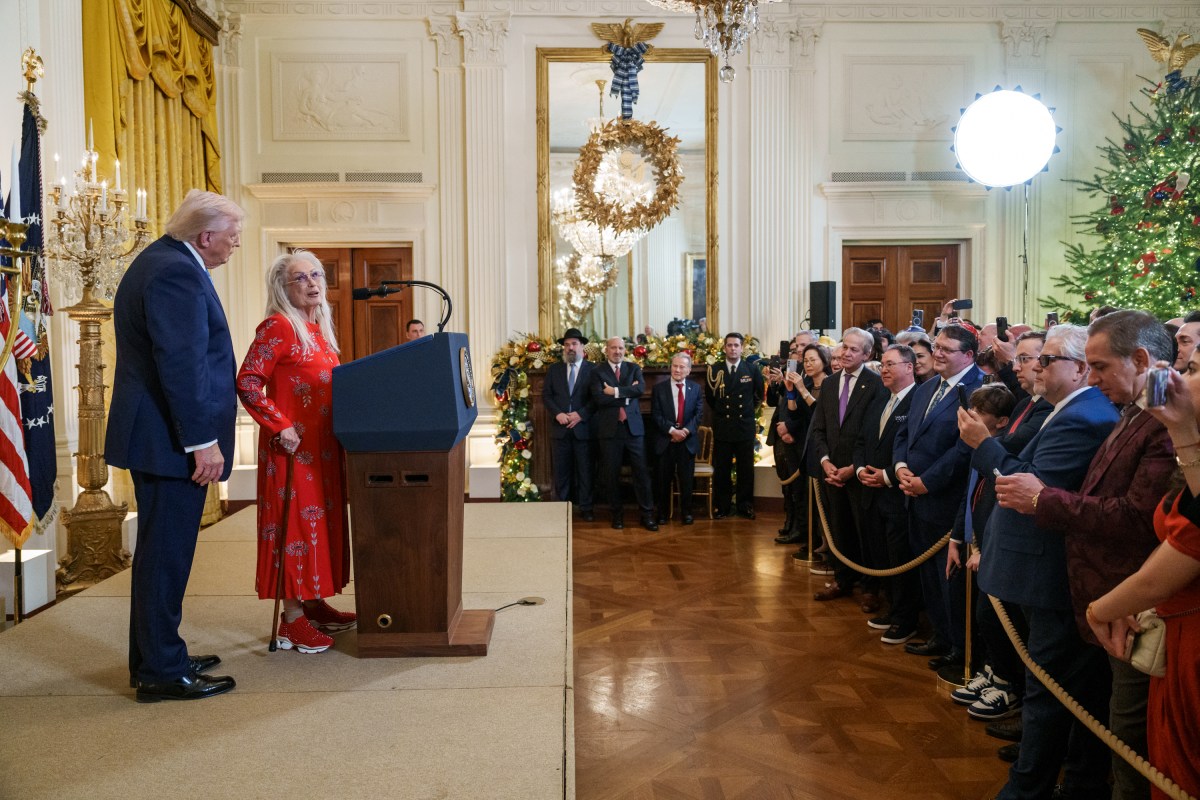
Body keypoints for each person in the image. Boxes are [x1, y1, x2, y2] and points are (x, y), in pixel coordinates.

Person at [1004, 310, 1175, 800]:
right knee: (1099, 717)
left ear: (1140, 359)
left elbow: (1136, 517)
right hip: (1103, 594)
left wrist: (1043, 499)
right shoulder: (1132, 411)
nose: (1090, 376)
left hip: (1131, 602)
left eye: (1099, 366)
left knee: (1128, 743)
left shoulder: (1164, 420)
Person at [961, 323, 1120, 800]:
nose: (1034, 367)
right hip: (1032, 565)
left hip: (1045, 568)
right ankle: (1065, 777)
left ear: (1078, 369)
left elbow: (1027, 489)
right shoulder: (1062, 409)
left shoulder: (1083, 416)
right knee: (1052, 685)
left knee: (1049, 688)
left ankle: (1030, 788)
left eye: (1047, 359)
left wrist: (981, 445)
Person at [106, 189, 243, 703]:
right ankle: (162, 670)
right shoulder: (175, 271)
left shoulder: (163, 261)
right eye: (232, 237)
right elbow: (180, 364)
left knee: (159, 554)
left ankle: (156, 656)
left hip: (163, 438)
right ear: (205, 236)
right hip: (170, 441)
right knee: (166, 556)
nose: (235, 246)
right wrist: (202, 443)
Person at [1089, 350, 1200, 800]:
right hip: (1177, 630)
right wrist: (1182, 428)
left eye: (1191, 369)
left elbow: (1185, 549)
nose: (1177, 374)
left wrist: (1103, 609)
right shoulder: (1186, 438)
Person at [236, 250, 356, 655]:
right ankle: (291, 621)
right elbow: (249, 381)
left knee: (320, 528)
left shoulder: (316, 330)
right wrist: (279, 424)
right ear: (282, 288)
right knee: (296, 532)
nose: (312, 283)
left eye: (317, 275)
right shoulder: (279, 326)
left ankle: (313, 602)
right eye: (301, 278)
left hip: (323, 450)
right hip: (292, 451)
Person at [894, 323, 986, 669]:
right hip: (913, 494)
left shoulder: (979, 389)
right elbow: (904, 434)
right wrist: (902, 468)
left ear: (968, 355)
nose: (938, 354)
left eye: (946, 349)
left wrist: (926, 482)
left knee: (950, 578)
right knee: (928, 575)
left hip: (948, 499)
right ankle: (939, 634)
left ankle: (960, 647)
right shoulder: (926, 386)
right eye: (937, 347)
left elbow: (965, 450)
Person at [808, 327, 887, 604]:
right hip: (831, 473)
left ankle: (869, 588)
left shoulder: (877, 385)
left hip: (860, 474)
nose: (846, 353)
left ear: (867, 354)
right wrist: (825, 461)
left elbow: (874, 434)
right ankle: (842, 579)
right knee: (837, 530)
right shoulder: (829, 384)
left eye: (854, 349)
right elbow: (818, 429)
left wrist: (854, 468)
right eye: (844, 347)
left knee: (864, 532)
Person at [853, 344, 919, 644]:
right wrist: (859, 471)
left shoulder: (918, 401)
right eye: (883, 364)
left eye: (892, 364)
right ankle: (894, 610)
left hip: (897, 495)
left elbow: (913, 451)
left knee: (900, 559)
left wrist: (886, 476)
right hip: (871, 493)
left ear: (910, 367)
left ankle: (906, 619)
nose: (885, 369)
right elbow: (861, 440)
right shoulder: (881, 400)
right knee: (883, 557)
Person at [592, 337, 658, 531]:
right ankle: (617, 515)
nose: (617, 351)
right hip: (610, 430)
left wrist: (614, 391)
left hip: (634, 429)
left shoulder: (634, 368)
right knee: (611, 475)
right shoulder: (597, 372)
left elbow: (640, 389)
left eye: (621, 348)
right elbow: (599, 399)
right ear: (607, 350)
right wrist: (627, 395)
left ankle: (647, 515)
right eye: (613, 348)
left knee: (642, 473)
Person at [706, 332, 766, 519]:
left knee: (745, 469)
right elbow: (711, 398)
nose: (733, 348)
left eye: (736, 345)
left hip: (744, 426)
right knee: (722, 469)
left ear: (742, 348)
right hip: (723, 426)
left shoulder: (751, 369)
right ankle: (722, 506)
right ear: (724, 348)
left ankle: (745, 505)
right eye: (729, 345)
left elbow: (758, 395)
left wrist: (748, 411)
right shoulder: (715, 370)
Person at [543, 327, 595, 521]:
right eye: (566, 344)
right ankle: (561, 509)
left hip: (584, 430)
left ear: (582, 346)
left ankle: (587, 508)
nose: (570, 348)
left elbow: (596, 399)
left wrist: (580, 415)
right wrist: (558, 414)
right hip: (560, 430)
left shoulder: (593, 370)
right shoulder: (554, 370)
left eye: (574, 344)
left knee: (585, 471)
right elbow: (546, 396)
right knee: (561, 472)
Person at [789, 343, 834, 565]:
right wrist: (791, 390)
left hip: (824, 448)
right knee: (808, 499)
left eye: (812, 359)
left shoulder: (830, 384)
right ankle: (814, 541)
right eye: (805, 360)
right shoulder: (805, 383)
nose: (807, 364)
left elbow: (819, 412)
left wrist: (801, 390)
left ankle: (828, 544)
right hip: (807, 446)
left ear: (824, 361)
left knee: (824, 501)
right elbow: (795, 413)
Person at [651, 353, 703, 524]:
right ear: (670, 367)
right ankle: (662, 514)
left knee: (686, 481)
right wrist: (672, 431)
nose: (678, 370)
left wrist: (685, 431)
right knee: (662, 481)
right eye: (675, 366)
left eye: (682, 367)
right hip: (665, 442)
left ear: (688, 370)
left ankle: (687, 513)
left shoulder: (695, 389)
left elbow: (698, 414)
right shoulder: (659, 389)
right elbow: (656, 415)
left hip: (686, 442)